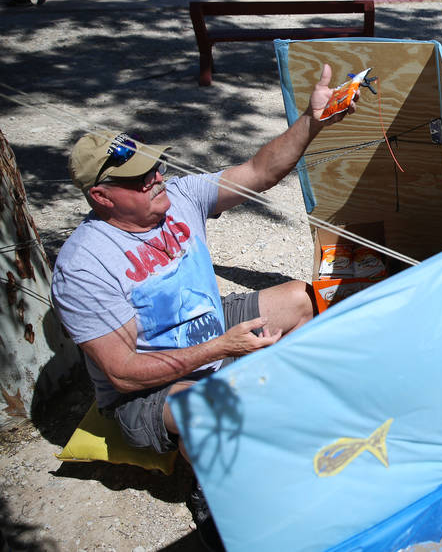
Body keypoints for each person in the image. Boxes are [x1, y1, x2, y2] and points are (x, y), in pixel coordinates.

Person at [50, 64, 351, 550]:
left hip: (211, 331)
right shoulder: (84, 266)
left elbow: (259, 172)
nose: (157, 178)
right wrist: (220, 348)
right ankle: (216, 492)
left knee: (301, 298)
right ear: (101, 197)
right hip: (147, 390)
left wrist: (315, 120)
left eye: (154, 166)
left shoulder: (180, 198)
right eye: (139, 178)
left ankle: (280, 414)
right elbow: (124, 374)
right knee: (205, 408)